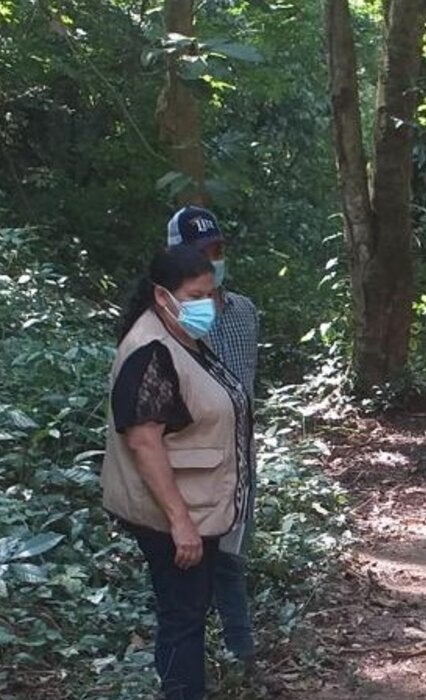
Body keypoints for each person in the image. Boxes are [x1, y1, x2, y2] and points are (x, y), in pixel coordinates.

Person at [102, 245, 252, 700]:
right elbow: (143, 440)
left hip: (199, 504)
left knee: (187, 613)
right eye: (196, 294)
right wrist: (180, 521)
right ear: (162, 296)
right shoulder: (151, 351)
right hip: (174, 515)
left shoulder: (184, 336)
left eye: (212, 293)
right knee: (182, 621)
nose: (208, 303)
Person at [166, 206, 261, 670]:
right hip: (186, 461)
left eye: (216, 250)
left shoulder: (244, 311)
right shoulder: (165, 320)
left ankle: (239, 653)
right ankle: (188, 662)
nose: (210, 260)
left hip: (239, 458)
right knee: (188, 566)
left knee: (230, 558)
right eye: (199, 253)